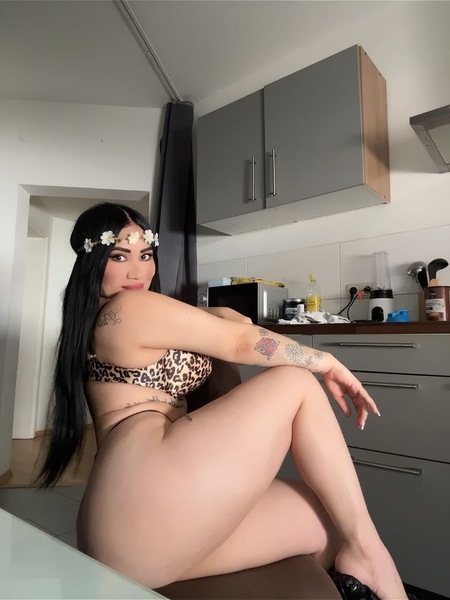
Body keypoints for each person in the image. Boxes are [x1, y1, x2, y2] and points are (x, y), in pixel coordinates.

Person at [37, 202, 408, 600]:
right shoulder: (127, 309)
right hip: (145, 503)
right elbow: (240, 340)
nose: (137, 272)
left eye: (145, 255)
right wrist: (326, 362)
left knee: (327, 523)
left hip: (124, 531)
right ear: (92, 261)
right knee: (295, 382)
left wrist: (216, 315)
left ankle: (366, 561)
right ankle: (372, 555)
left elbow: (232, 331)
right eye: (119, 256)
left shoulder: (101, 318)